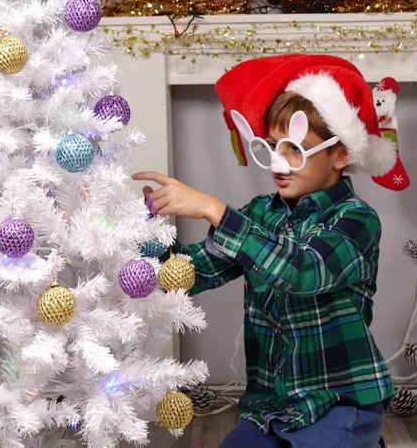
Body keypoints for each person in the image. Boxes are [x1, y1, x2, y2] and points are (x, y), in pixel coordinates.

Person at [133, 54, 396, 448]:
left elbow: (303, 271)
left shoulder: (357, 220)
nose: (278, 163)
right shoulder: (260, 213)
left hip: (338, 401)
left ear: (340, 154)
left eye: (295, 149)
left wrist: (214, 210)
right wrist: (143, 240)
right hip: (273, 405)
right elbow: (196, 272)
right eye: (272, 147)